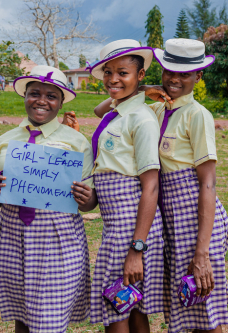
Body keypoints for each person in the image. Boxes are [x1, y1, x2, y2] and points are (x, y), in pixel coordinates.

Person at [93, 38, 228, 333]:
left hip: (196, 218)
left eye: (185, 74)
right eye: (169, 71)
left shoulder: (197, 115)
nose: (174, 79)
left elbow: (207, 185)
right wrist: (141, 89)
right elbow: (100, 110)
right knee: (185, 303)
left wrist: (202, 252)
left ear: (198, 76)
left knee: (204, 305)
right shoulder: (156, 109)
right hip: (168, 220)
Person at [0, 65, 96, 333]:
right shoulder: (5, 141)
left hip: (57, 238)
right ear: (24, 97)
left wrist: (86, 198)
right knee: (22, 315)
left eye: (51, 96)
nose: (41, 101)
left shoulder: (76, 143)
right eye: (34, 93)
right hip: (12, 235)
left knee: (49, 320)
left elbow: (90, 203)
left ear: (60, 103)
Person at [86, 39, 165, 333]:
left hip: (132, 226)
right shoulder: (118, 112)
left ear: (141, 74)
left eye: (123, 73)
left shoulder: (141, 119)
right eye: (108, 72)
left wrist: (137, 249)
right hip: (117, 223)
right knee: (132, 308)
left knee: (115, 309)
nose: (113, 80)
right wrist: (136, 89)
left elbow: (151, 187)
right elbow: (98, 109)